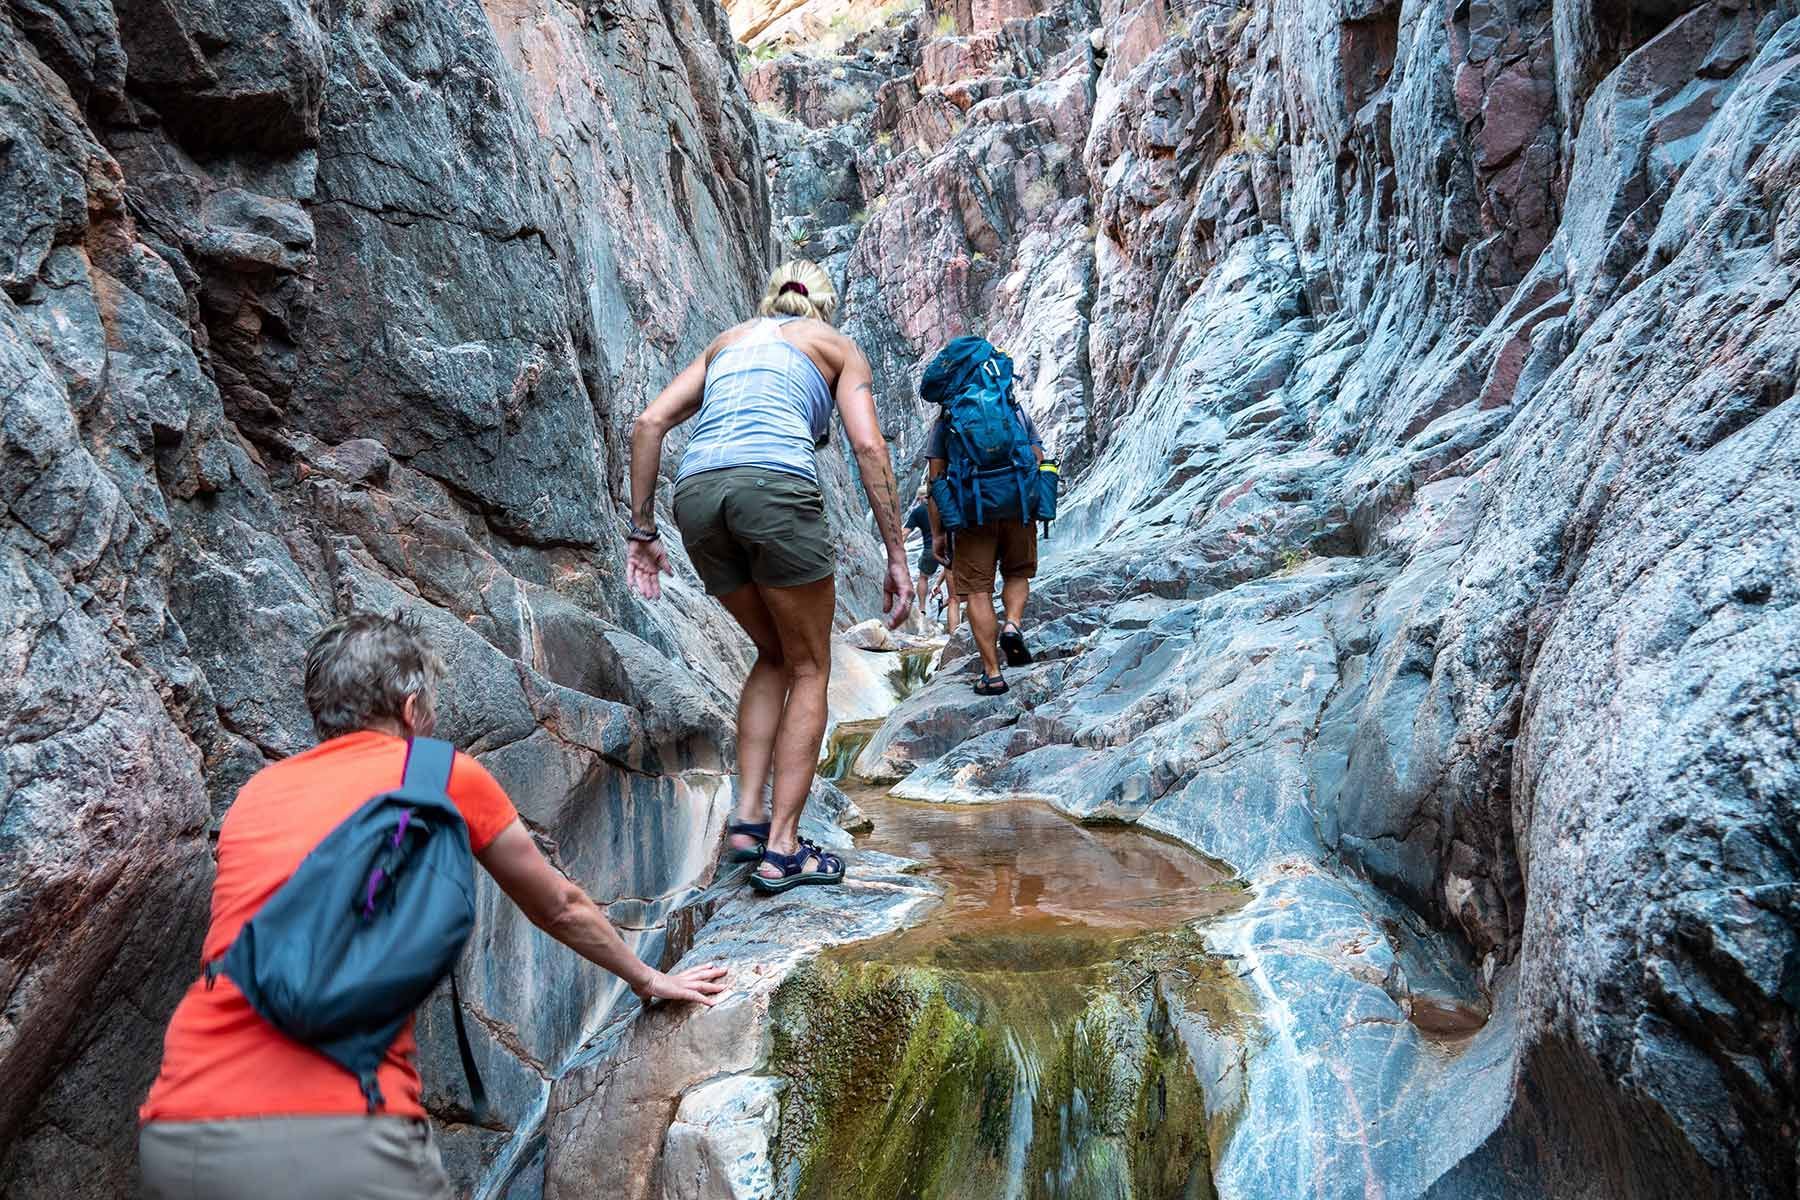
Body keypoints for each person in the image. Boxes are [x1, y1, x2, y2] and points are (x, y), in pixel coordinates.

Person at [138, 612, 728, 1200]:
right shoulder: (440, 777)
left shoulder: (255, 796)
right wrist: (646, 977)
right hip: (341, 1130)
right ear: (411, 704)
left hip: (186, 1121)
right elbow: (560, 906)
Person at [626, 260, 911, 893]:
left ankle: (748, 820)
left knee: (773, 654)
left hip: (696, 496)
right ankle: (784, 849)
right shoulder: (835, 346)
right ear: (824, 308)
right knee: (811, 665)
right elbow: (868, 447)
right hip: (775, 489)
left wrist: (642, 534)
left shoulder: (728, 340)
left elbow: (649, 424)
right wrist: (897, 555)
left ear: (769, 300)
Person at [925, 353, 1045, 695]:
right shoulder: (1012, 408)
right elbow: (1037, 456)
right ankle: (1012, 624)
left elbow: (936, 481)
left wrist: (937, 534)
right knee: (1017, 573)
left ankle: (992, 673)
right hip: (1017, 507)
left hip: (971, 517)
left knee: (978, 591)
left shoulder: (947, 419)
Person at [905, 483, 958, 633]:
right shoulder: (944, 506)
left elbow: (905, 532)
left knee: (923, 577)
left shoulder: (919, 511)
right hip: (950, 547)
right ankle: (953, 626)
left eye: (918, 497)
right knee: (950, 576)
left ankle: (922, 608)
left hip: (930, 548)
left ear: (922, 497)